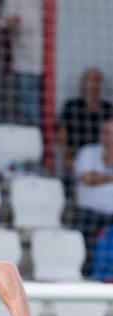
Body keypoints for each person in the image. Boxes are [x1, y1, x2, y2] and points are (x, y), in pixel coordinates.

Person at [73, 118, 113, 276]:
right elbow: (87, 178)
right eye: (107, 133)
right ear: (100, 135)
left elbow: (93, 178)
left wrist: (101, 177)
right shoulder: (88, 152)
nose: (109, 138)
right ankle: (88, 277)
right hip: (90, 214)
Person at [57, 68, 113, 176]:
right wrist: (67, 157)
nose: (93, 85)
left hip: (102, 159)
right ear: (82, 83)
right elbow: (61, 131)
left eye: (97, 81)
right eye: (90, 80)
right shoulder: (71, 105)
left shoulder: (108, 107)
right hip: (76, 158)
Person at [0, 0, 43, 127]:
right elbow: (2, 29)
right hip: (26, 65)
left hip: (54, 66)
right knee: (33, 115)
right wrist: (11, 23)